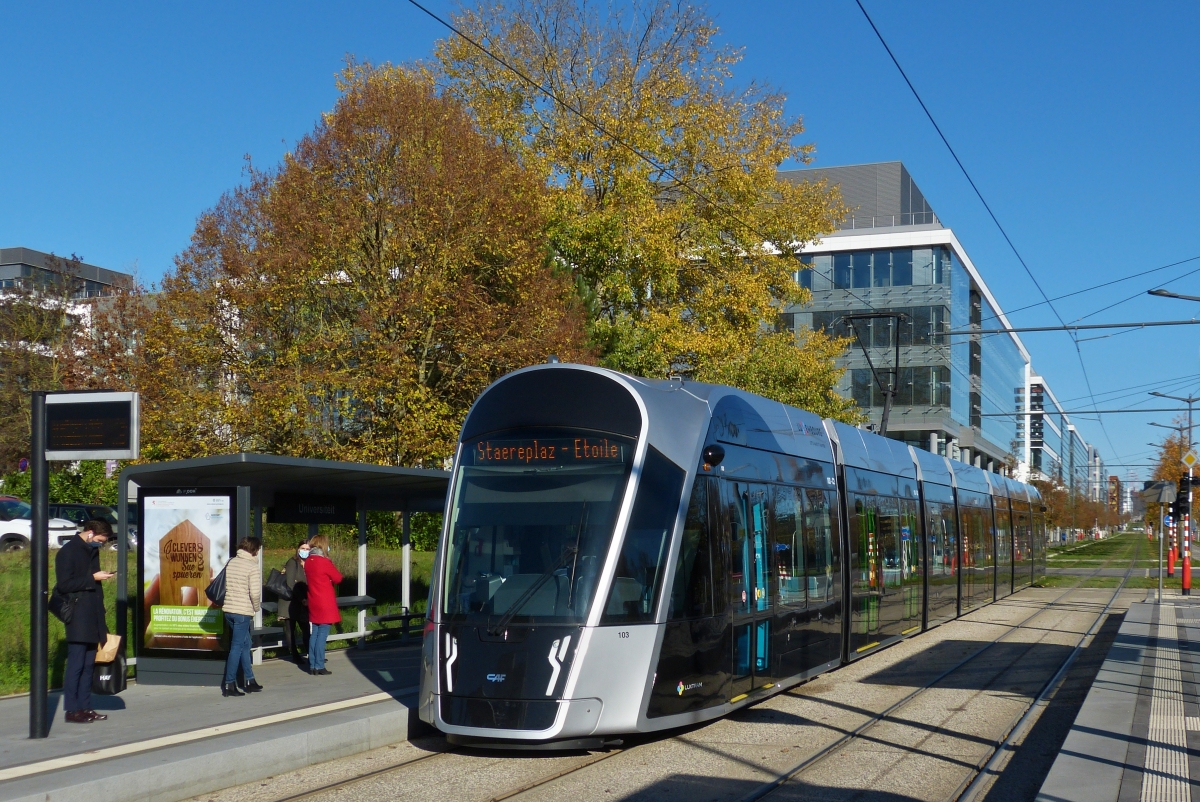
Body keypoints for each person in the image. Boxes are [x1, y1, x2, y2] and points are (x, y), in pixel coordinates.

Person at [55, 519, 114, 724]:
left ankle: (85, 706)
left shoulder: (91, 550)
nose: (101, 544)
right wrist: (93, 578)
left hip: (93, 613)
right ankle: (72, 710)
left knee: (89, 664)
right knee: (77, 664)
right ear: (90, 533)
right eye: (100, 540)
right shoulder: (68, 552)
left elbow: (94, 585)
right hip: (78, 615)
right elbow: (64, 585)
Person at [221, 536, 264, 697]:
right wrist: (256, 607)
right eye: (258, 549)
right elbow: (255, 593)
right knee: (237, 647)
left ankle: (250, 680)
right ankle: (229, 684)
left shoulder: (231, 562)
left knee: (246, 644)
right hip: (242, 612)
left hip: (229, 610)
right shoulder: (252, 566)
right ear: (254, 549)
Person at [303, 535, 342, 676]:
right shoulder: (324, 562)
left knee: (314, 633)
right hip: (325, 601)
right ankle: (319, 665)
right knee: (322, 634)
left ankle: (313, 664)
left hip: (313, 600)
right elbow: (338, 578)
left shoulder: (308, 561)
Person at [278, 540, 309, 662]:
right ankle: (295, 655)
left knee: (306, 628)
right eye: (303, 548)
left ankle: (311, 653)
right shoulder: (292, 562)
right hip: (291, 601)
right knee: (291, 629)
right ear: (298, 549)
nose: (305, 551)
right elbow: (291, 583)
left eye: (307, 549)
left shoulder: (308, 563)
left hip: (303, 602)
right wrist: (302, 598)